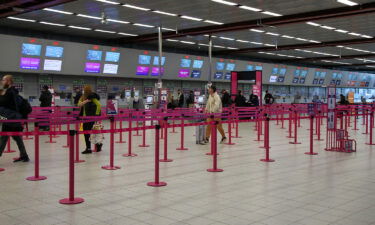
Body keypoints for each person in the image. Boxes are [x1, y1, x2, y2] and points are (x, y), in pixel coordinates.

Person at [0, 75, 29, 162]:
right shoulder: (12, 91)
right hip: (14, 118)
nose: (2, 81)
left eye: (3, 80)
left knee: (3, 138)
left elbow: (2, 102)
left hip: (11, 119)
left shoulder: (10, 92)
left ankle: (24, 156)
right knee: (17, 138)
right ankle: (24, 156)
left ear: (8, 82)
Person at [78, 85, 102, 154]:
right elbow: (79, 105)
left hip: (91, 118)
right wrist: (86, 101)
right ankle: (89, 148)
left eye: (85, 89)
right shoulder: (83, 97)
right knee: (86, 133)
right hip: (85, 118)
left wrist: (96, 115)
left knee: (92, 132)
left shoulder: (92, 97)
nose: (84, 90)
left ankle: (97, 145)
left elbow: (99, 105)